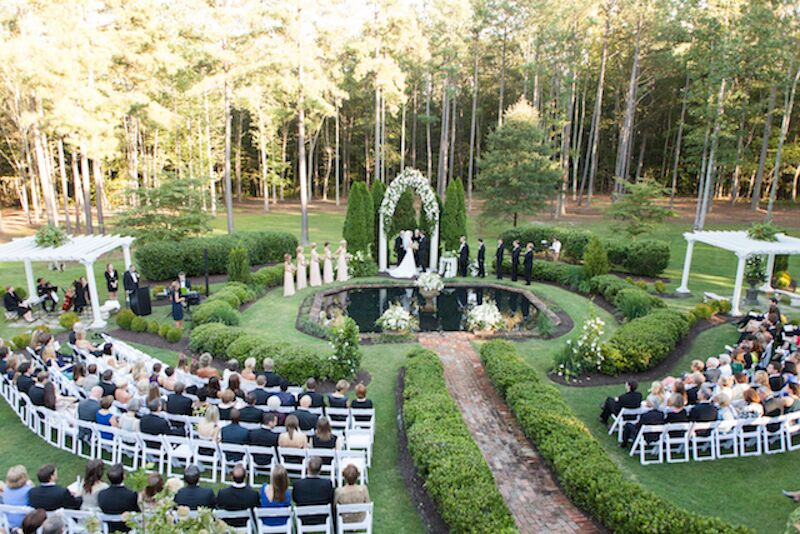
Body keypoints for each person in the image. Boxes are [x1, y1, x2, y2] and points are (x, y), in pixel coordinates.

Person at [97, 463, 139, 532]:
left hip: (108, 529)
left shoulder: (102, 494)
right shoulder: (131, 495)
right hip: (125, 529)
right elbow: (137, 510)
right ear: (124, 476)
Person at [292, 456, 333, 524]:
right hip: (322, 518)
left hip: (303, 518)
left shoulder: (298, 485)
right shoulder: (327, 484)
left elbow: (295, 499)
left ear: (308, 468)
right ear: (320, 470)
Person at [1, 465, 33, 530]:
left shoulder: (4, 490)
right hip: (24, 524)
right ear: (23, 477)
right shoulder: (29, 490)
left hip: (7, 524)